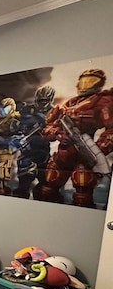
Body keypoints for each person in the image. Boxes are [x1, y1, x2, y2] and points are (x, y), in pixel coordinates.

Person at [36, 69, 113, 207]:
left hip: (84, 152)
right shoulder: (70, 103)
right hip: (64, 152)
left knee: (82, 193)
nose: (86, 84)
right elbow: (48, 128)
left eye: (91, 81)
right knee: (48, 189)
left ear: (99, 84)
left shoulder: (103, 102)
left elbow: (111, 130)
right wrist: (58, 134)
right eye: (84, 81)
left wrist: (99, 149)